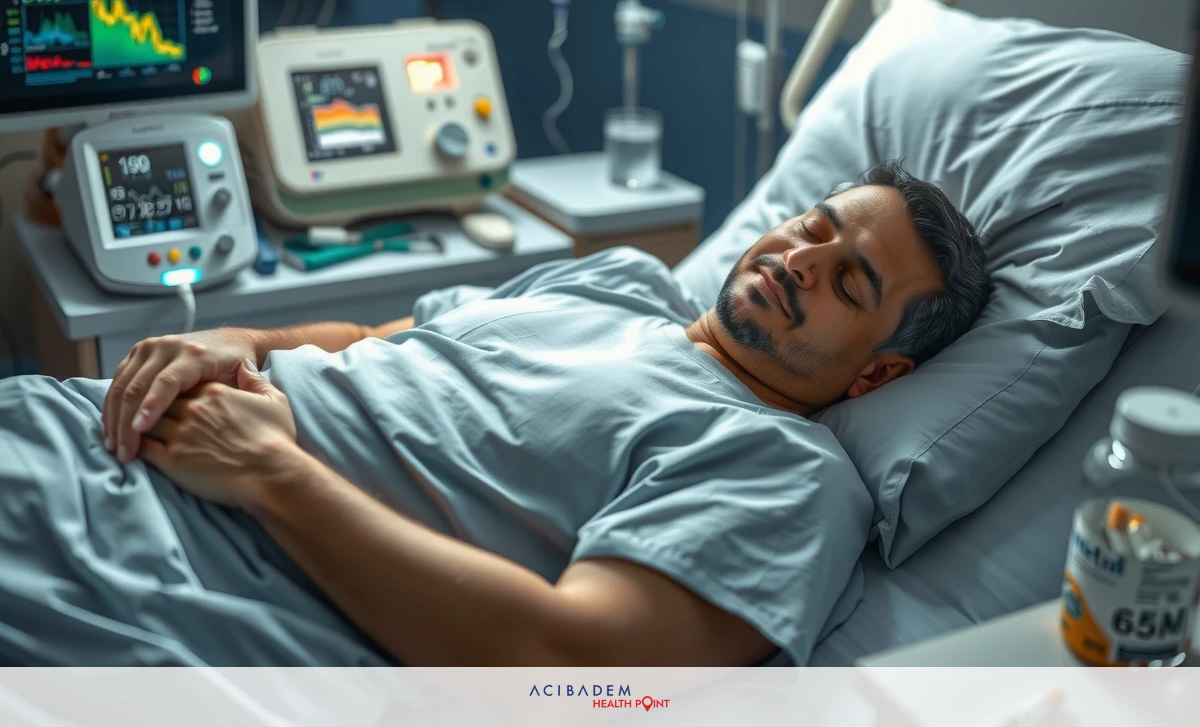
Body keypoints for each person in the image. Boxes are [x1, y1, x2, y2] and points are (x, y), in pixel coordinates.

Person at [0, 160, 989, 666]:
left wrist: (273, 475)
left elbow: (574, 669)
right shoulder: (623, 280)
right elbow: (371, 336)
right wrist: (243, 342)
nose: (800, 259)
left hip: (176, 561)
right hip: (86, 430)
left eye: (849, 279)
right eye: (811, 225)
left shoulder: (783, 469)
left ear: (875, 375)